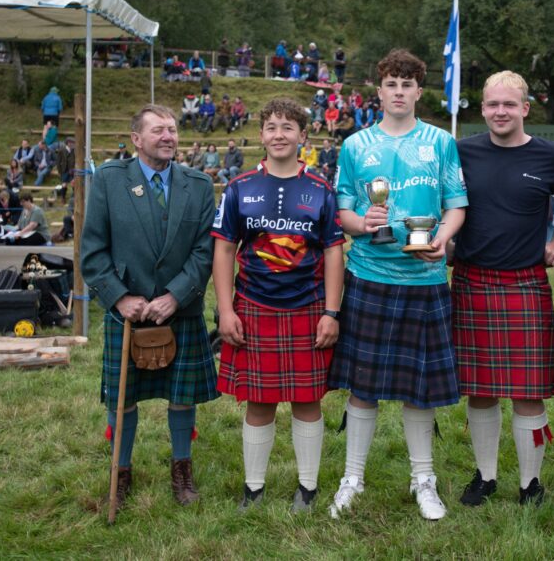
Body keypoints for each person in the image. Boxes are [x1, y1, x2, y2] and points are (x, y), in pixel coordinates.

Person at [327, 49, 468, 521]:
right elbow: (342, 211)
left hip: (425, 277)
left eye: (408, 84)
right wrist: (362, 223)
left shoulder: (441, 142)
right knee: (362, 386)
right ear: (380, 90)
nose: (400, 92)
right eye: (392, 84)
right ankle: (353, 478)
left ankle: (423, 480)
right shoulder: (354, 145)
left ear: (419, 91)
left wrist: (444, 240)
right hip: (369, 274)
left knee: (419, 386)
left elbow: (456, 204)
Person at [81, 104, 218, 512]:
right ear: (137, 139)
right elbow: (92, 250)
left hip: (182, 310)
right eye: (158, 130)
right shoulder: (107, 180)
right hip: (127, 312)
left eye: (173, 130)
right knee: (121, 399)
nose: (168, 137)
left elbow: (204, 251)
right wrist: (120, 297)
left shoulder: (199, 183)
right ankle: (120, 473)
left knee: (182, 397)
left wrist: (176, 294)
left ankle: (182, 468)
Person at [212, 98, 345, 513]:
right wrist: (225, 310)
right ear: (261, 136)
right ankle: (254, 488)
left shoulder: (322, 189)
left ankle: (307, 489)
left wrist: (331, 312)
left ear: (303, 136)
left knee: (308, 399)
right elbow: (223, 251)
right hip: (252, 306)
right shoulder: (239, 187)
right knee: (258, 401)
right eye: (271, 127)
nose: (279, 134)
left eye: (288, 127)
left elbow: (334, 253)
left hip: (308, 307)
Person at [452, 70, 554, 507]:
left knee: (528, 390)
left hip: (525, 281)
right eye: (492, 104)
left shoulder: (553, 156)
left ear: (525, 108)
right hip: (470, 279)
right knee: (480, 387)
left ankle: (531, 484)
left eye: (509, 104)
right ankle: (485, 477)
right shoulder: (461, 151)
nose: (499, 112)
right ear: (482, 108)